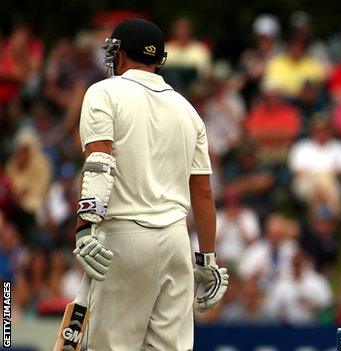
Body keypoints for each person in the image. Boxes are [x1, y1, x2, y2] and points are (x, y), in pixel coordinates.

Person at [74, 18, 228, 350]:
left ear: (120, 55)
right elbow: (202, 193)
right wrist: (208, 260)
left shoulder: (104, 92)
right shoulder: (188, 110)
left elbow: (99, 163)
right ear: (159, 60)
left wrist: (85, 228)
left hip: (123, 237)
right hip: (176, 242)